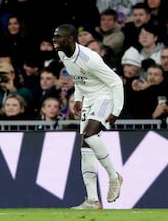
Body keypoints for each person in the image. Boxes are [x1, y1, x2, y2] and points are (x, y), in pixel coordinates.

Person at [52, 24, 123, 207]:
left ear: (70, 39)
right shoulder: (62, 54)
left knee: (90, 135)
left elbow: (116, 82)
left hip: (104, 97)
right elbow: (78, 78)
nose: (54, 39)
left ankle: (114, 177)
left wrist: (116, 111)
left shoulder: (90, 58)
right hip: (89, 99)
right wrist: (78, 97)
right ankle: (92, 200)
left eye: (58, 37)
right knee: (85, 147)